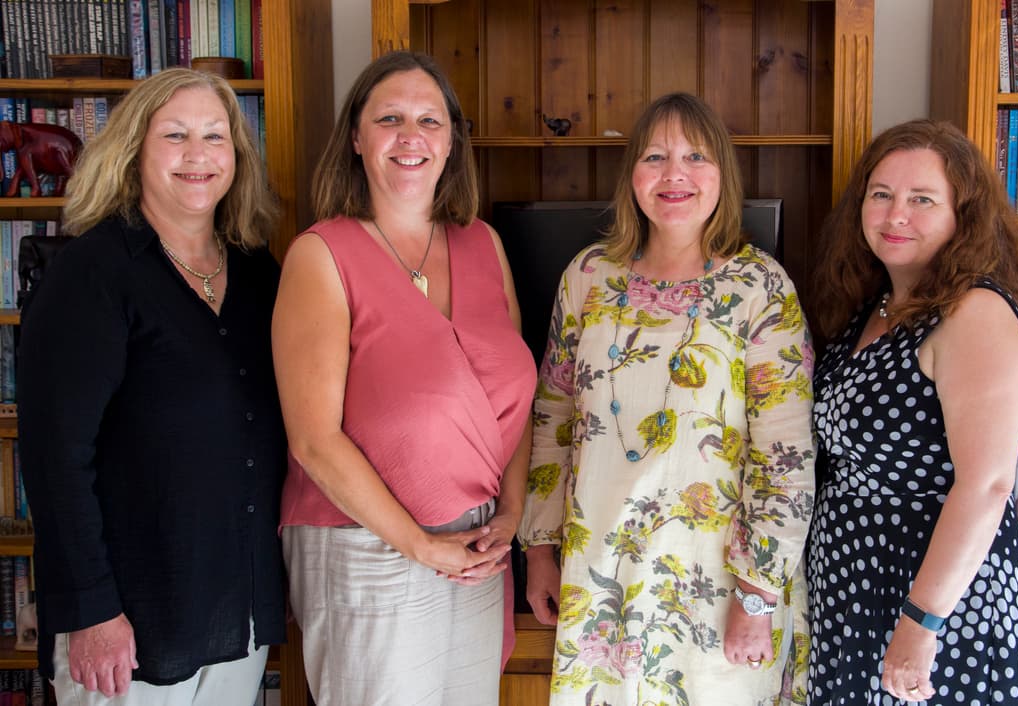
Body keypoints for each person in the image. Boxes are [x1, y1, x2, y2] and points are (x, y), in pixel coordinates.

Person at [519, 92, 816, 705]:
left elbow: (785, 455)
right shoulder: (587, 277)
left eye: (695, 157)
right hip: (602, 578)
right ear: (632, 175)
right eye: (655, 156)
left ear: (722, 176)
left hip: (719, 590)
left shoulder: (759, 286)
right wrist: (540, 551)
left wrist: (757, 596)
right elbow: (552, 417)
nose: (674, 174)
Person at [272, 50, 536, 705]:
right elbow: (312, 440)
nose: (411, 135)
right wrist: (420, 546)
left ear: (452, 141)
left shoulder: (483, 243)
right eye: (389, 118)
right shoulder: (320, 254)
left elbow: (516, 403)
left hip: (477, 548)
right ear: (356, 140)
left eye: (430, 119)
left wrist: (511, 510)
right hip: (365, 545)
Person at [17, 67, 287, 705]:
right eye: (175, 135)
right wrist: (91, 613)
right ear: (134, 149)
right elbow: (55, 458)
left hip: (237, 613)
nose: (199, 155)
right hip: (126, 624)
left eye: (216, 137)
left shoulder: (258, 272)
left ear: (237, 157)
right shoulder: (92, 272)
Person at [807, 118, 1018, 705]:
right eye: (882, 195)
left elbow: (987, 485)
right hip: (855, 590)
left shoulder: (976, 312)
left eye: (922, 199)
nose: (896, 215)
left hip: (944, 607)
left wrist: (923, 621)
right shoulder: (873, 309)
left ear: (962, 216)